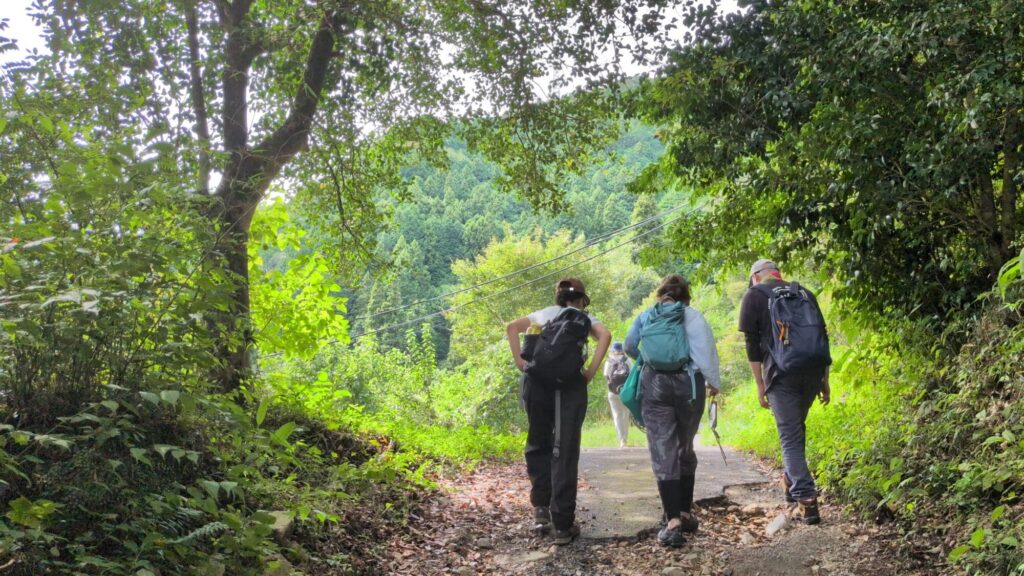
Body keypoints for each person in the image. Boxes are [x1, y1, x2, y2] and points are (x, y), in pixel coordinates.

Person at [506, 278, 612, 545]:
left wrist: (521, 362)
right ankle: (563, 525)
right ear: (581, 299)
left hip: (537, 383)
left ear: (558, 296)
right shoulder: (584, 318)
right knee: (565, 449)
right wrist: (589, 372)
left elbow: (511, 328)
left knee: (538, 440)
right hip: (570, 387)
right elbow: (605, 336)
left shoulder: (543, 314)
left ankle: (541, 511)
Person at [624, 274, 721, 548]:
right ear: (686, 297)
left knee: (662, 448)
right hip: (689, 386)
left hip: (654, 385)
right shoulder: (693, 317)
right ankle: (686, 511)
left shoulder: (646, 316)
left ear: (661, 294)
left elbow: (630, 346)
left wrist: (649, 360)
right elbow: (706, 353)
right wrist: (714, 383)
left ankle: (673, 521)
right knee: (685, 445)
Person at [739, 259, 831, 525]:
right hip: (813, 371)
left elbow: (752, 345)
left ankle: (806, 499)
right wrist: (825, 380)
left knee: (789, 435)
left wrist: (759, 383)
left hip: (781, 374)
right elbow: (821, 337)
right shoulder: (804, 292)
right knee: (796, 427)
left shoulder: (754, 295)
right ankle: (791, 482)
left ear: (756, 276)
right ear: (777, 274)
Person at [603, 341, 632, 448]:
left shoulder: (609, 361)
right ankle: (625, 439)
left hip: (613, 392)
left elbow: (606, 375)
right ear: (622, 350)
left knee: (617, 415)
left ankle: (621, 440)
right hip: (625, 392)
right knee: (625, 414)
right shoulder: (627, 360)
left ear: (612, 350)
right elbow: (632, 374)